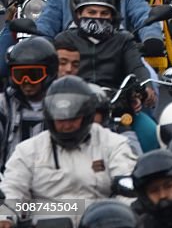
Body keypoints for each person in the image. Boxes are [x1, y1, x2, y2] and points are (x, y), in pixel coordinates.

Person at [0, 76, 137, 218]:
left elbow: (128, 190)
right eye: (60, 120)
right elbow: (12, 189)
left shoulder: (114, 144)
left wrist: (123, 215)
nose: (66, 126)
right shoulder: (28, 150)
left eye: (73, 119)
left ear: (87, 116)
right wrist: (6, 216)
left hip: (99, 221)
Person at [0, 37, 57, 171]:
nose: (26, 81)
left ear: (50, 73)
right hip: (8, 183)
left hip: (53, 184)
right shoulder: (3, 104)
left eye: (34, 74)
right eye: (19, 75)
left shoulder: (63, 104)